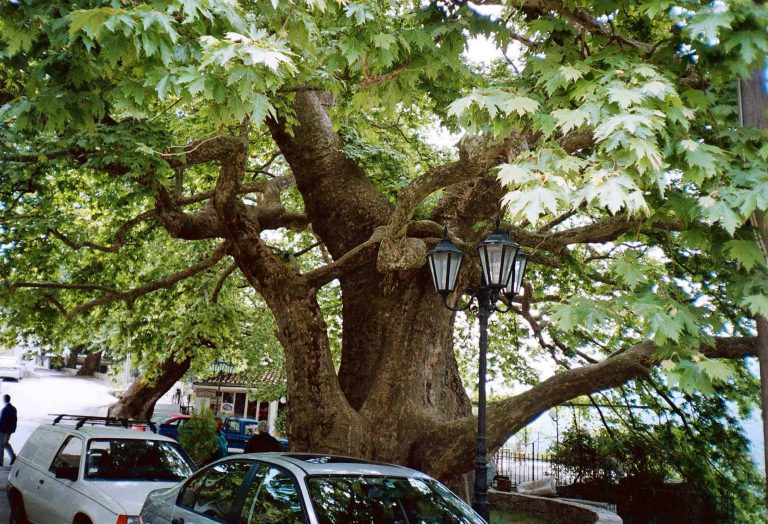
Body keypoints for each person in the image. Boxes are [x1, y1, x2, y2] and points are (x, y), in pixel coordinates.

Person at [0, 394, 17, 466]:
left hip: (3, 430)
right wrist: (13, 429)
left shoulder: (4, 409)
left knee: (1, 445)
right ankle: (13, 456)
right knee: (6, 443)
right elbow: (15, 420)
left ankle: (0, 461)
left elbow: (1, 421)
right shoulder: (13, 408)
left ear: (5, 400)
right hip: (10, 430)